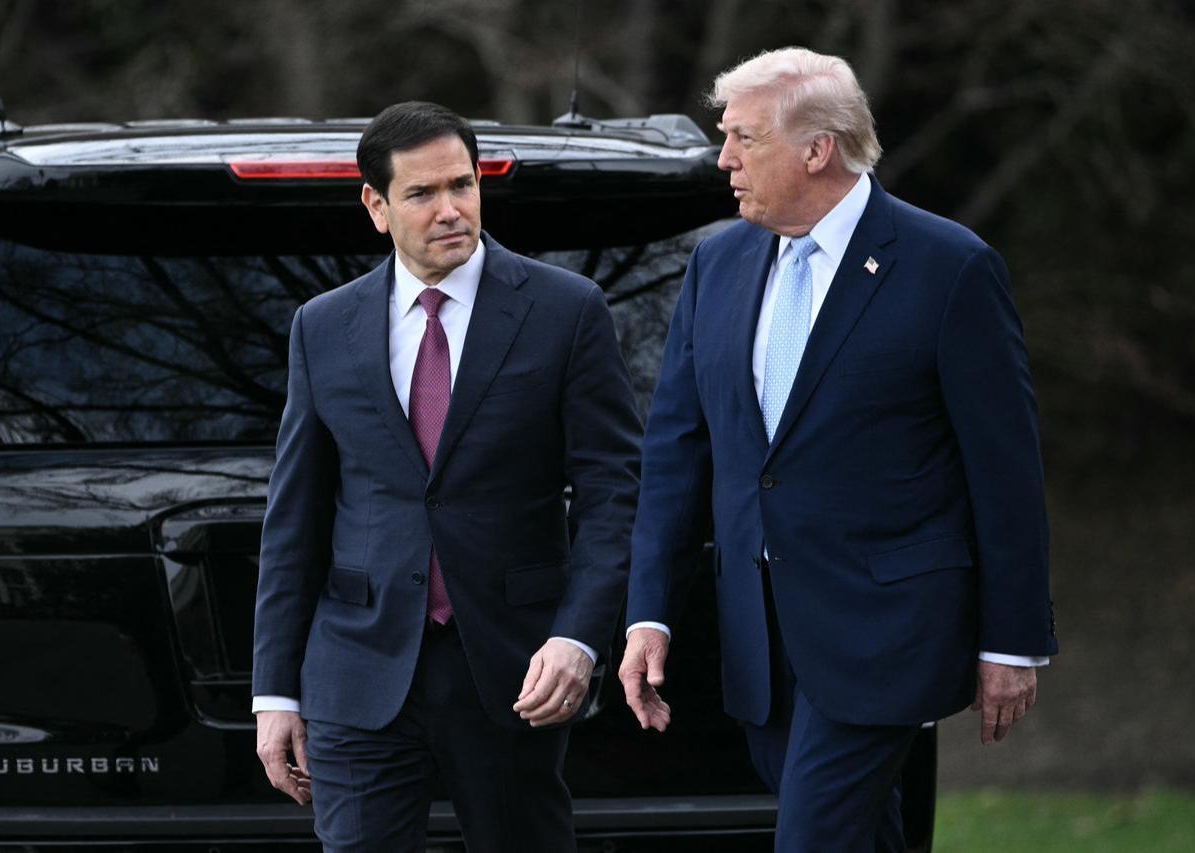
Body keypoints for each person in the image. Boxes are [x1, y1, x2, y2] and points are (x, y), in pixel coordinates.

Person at [619, 48, 1057, 852]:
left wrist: (1012, 639)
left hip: (885, 632)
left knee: (812, 838)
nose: (724, 160)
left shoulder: (949, 267)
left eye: (744, 138)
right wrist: (648, 610)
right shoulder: (716, 264)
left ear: (817, 148)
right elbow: (676, 453)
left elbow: (1006, 470)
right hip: (757, 641)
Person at [251, 101, 641, 853]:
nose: (451, 209)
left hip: (514, 668)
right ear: (376, 205)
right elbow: (293, 518)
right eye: (422, 193)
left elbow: (615, 492)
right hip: (358, 670)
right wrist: (276, 690)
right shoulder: (323, 326)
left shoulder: (566, 311)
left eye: (462, 185)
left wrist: (578, 636)